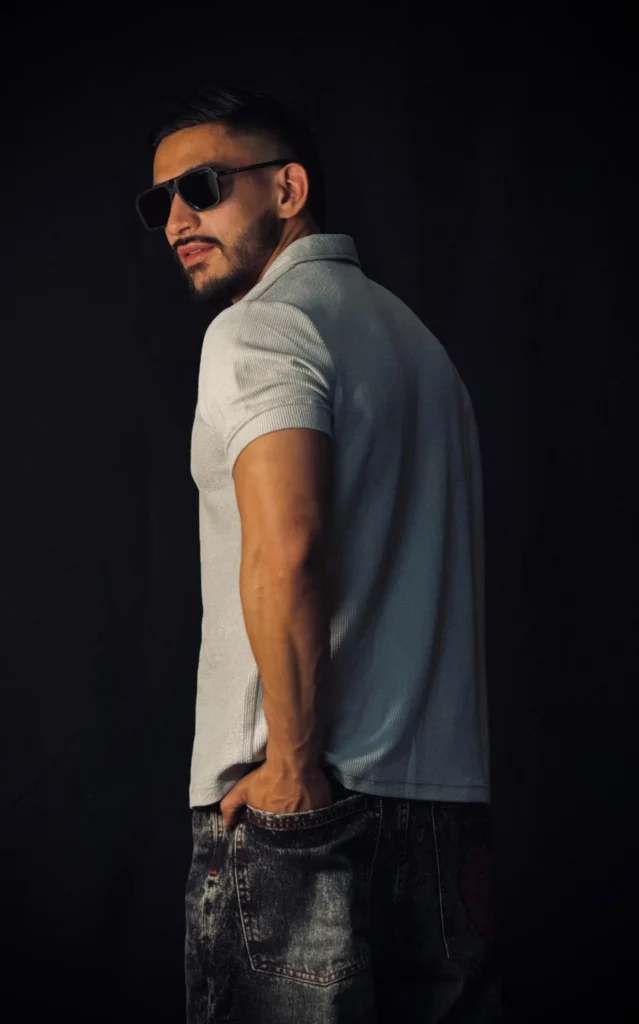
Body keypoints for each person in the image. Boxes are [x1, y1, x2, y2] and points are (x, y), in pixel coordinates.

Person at [136, 84, 501, 1024]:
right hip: (440, 809)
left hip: (302, 804)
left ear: (288, 189)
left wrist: (293, 766)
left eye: (202, 187)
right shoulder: (419, 350)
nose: (177, 220)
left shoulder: (257, 328)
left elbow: (287, 545)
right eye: (159, 201)